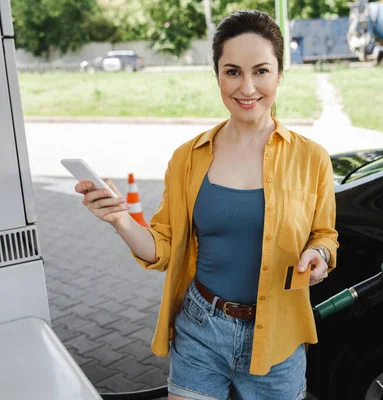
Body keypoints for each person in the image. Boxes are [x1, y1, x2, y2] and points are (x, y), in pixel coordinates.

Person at [75, 9, 338, 400]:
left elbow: (325, 234)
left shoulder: (311, 157)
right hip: (201, 326)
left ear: (280, 74)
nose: (247, 87)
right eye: (232, 71)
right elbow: (162, 249)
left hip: (279, 336)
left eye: (261, 71)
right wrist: (120, 219)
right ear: (217, 74)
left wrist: (318, 253)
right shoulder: (188, 158)